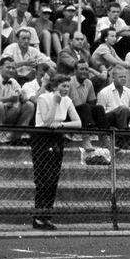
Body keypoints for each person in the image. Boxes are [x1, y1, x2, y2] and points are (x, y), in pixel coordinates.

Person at [31, 72, 83, 229]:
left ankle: (47, 216)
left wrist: (61, 125)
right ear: (55, 87)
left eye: (68, 86)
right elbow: (47, 120)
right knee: (43, 177)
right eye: (63, 86)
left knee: (53, 178)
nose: (66, 89)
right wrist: (54, 101)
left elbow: (77, 122)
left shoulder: (67, 100)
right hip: (42, 137)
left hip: (57, 136)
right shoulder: (44, 98)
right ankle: (38, 216)